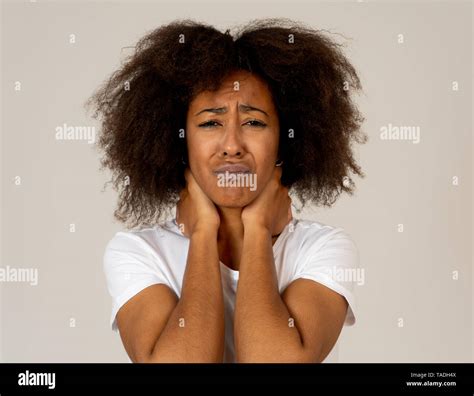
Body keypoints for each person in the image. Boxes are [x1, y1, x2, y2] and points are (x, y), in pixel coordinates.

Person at [88, 18, 367, 363]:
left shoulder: (324, 249)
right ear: (178, 141)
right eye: (210, 123)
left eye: (253, 122)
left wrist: (257, 229)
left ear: (285, 139)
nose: (232, 145)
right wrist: (204, 233)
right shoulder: (138, 252)